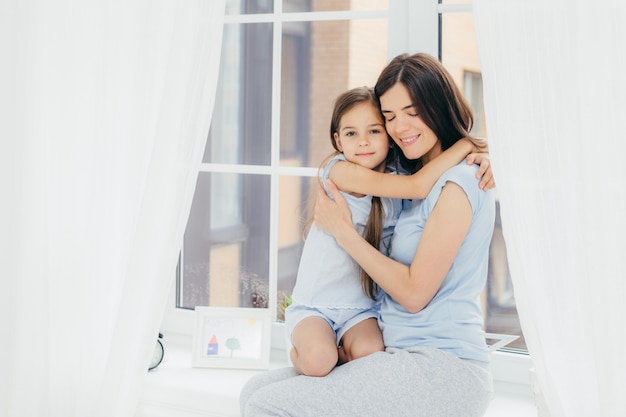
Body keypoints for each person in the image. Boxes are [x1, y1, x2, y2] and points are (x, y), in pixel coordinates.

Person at [240, 52, 495, 417]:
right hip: (396, 353)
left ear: (438, 107)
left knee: (267, 405)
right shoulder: (402, 177)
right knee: (255, 390)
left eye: (412, 112)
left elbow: (413, 294)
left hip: (442, 366)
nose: (400, 127)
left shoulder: (458, 183)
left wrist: (344, 233)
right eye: (389, 117)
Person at [286, 86, 480, 377]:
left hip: (362, 310)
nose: (363, 142)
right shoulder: (339, 171)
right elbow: (419, 187)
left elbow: (422, 178)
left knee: (370, 355)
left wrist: (482, 158)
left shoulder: (398, 176)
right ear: (338, 141)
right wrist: (468, 146)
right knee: (318, 360)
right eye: (351, 134)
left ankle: (338, 352)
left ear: (390, 138)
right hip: (317, 305)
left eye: (374, 131)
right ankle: (303, 350)